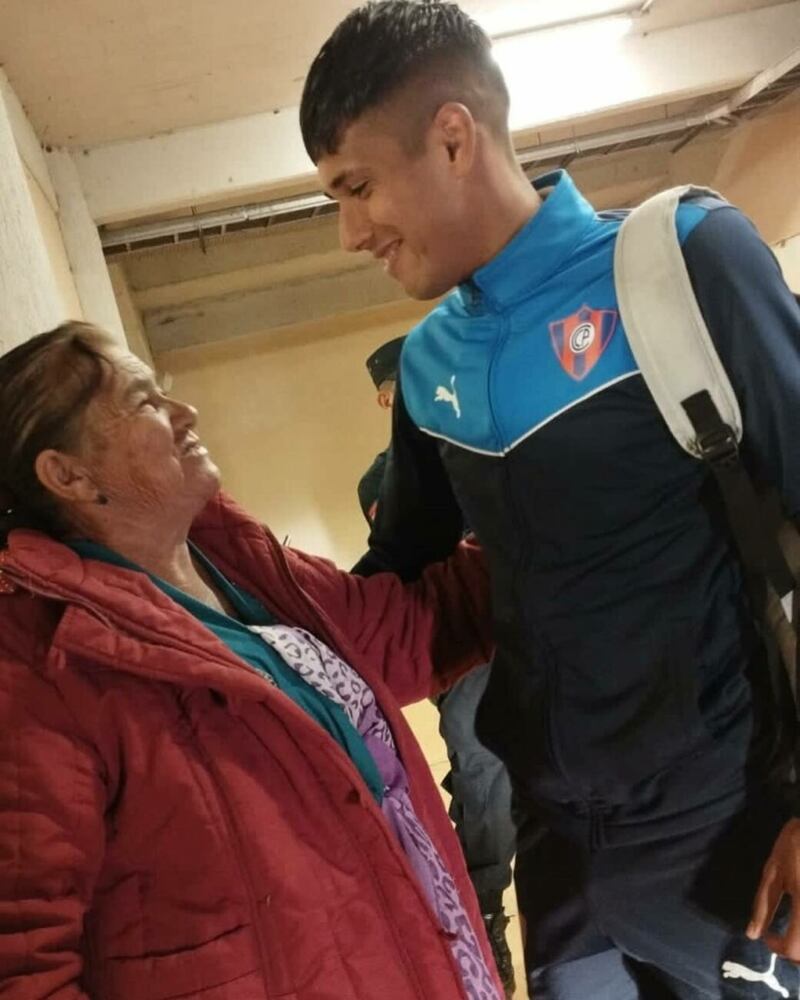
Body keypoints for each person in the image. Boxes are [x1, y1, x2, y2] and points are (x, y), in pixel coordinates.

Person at [300, 3, 800, 998]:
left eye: (357, 187)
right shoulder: (430, 362)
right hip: (560, 856)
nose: (350, 233)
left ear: (453, 138)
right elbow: (393, 582)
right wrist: (215, 600)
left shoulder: (683, 258)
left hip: (730, 833)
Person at [0, 321, 505, 1000]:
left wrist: (557, 519)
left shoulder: (235, 563)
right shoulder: (37, 666)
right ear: (69, 475)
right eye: (145, 401)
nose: (185, 413)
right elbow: (21, 963)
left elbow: (405, 632)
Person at [359, 336, 517, 996]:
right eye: (406, 389)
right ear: (386, 400)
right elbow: (418, 556)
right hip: (460, 641)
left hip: (526, 618)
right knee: (482, 762)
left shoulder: (489, 434)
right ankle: (486, 906)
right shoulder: (383, 480)